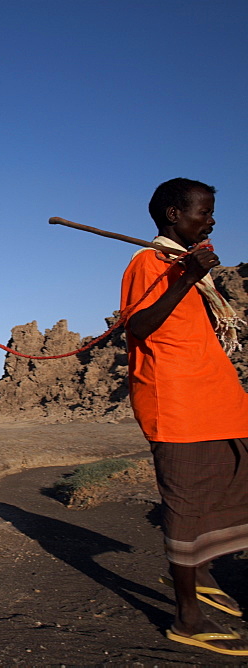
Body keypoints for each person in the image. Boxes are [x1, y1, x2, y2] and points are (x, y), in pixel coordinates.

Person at [121, 177, 248, 657]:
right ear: (173, 214)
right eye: (204, 212)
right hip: (177, 405)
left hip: (217, 398)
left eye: (212, 212)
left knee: (234, 485)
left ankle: (205, 573)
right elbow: (138, 326)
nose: (211, 220)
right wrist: (188, 277)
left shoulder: (182, 263)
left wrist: (193, 273)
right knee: (186, 505)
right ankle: (187, 620)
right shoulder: (148, 262)